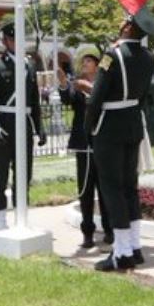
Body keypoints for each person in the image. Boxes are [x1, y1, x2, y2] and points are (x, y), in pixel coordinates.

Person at [86, 7, 154, 272]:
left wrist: (89, 126)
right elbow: (142, 97)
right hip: (132, 125)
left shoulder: (111, 55)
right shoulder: (149, 57)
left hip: (109, 127)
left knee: (112, 188)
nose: (120, 23)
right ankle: (135, 247)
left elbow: (96, 96)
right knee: (130, 187)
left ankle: (121, 253)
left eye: (124, 21)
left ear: (129, 27)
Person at [0, 28, 45, 230]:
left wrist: (39, 127)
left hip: (23, 123)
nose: (16, 42)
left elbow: (34, 100)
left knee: (23, 175)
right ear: (5, 41)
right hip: (3, 123)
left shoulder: (30, 65)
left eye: (20, 38)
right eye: (12, 39)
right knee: (0, 174)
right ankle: (0, 223)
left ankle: (21, 219)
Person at [58, 46, 110, 250]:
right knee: (85, 190)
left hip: (103, 141)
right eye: (83, 61)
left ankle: (109, 229)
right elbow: (67, 99)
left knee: (105, 189)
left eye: (89, 61)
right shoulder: (76, 85)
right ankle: (87, 232)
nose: (85, 64)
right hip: (83, 143)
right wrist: (63, 82)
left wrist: (88, 87)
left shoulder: (104, 84)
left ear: (97, 65)